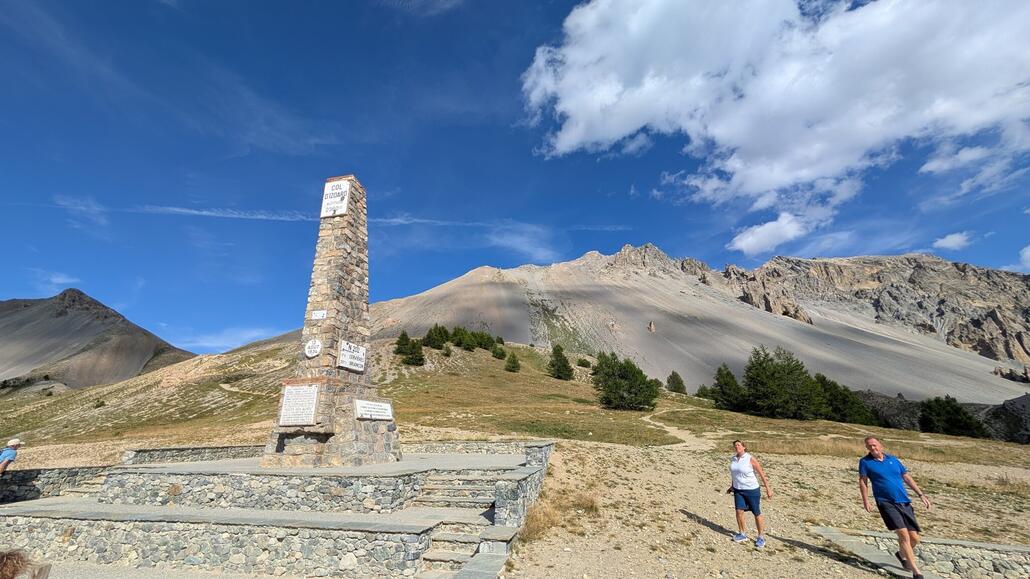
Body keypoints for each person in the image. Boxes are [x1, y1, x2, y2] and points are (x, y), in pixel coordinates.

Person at [859, 436, 932, 579]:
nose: (873, 448)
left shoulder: (893, 459)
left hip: (904, 501)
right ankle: (916, 572)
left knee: (915, 538)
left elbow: (907, 477)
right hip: (885, 502)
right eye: (869, 446)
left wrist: (921, 494)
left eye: (874, 445)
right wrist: (866, 500)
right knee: (903, 535)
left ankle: (901, 554)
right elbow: (863, 482)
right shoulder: (865, 462)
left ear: (881, 445)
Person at [725, 440, 773, 548]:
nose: (737, 447)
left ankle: (760, 537)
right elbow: (735, 474)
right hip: (738, 490)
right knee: (739, 511)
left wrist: (768, 489)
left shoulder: (750, 459)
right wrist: (732, 486)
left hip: (751, 490)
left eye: (739, 445)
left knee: (756, 513)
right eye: (735, 445)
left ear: (744, 447)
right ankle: (742, 534)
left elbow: (761, 474)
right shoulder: (733, 459)